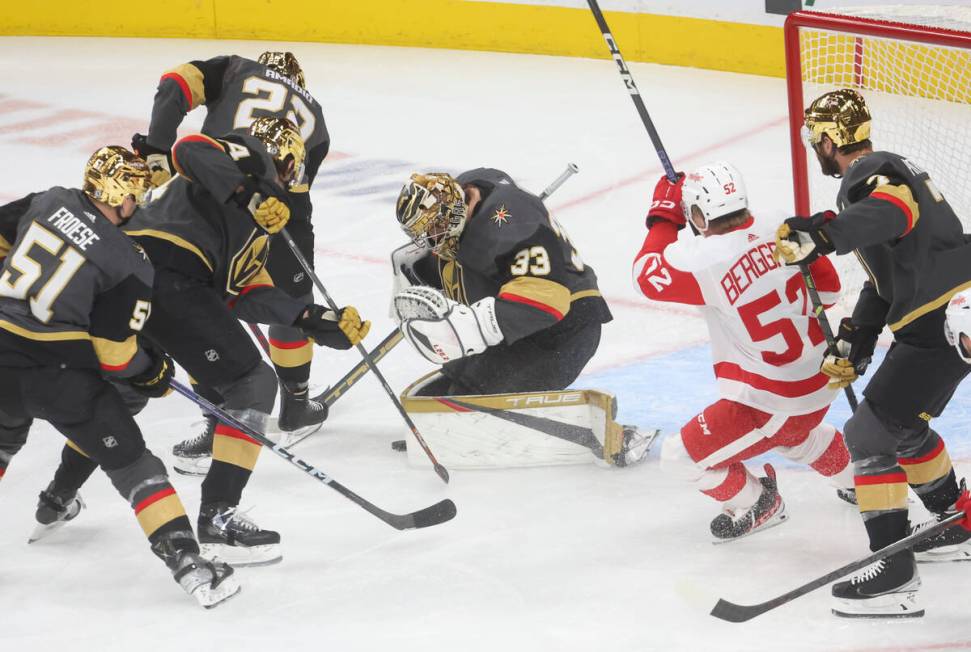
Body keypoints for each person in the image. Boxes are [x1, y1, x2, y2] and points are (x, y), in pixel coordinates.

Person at [36, 118, 369, 566]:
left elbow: (245, 293)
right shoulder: (249, 162)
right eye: (290, 171)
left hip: (132, 281)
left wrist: (312, 319)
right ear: (287, 163)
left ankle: (58, 496)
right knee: (252, 383)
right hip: (162, 271)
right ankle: (219, 516)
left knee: (125, 393)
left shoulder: (258, 226)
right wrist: (251, 191)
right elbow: (188, 149)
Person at [0, 146, 238, 608]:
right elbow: (114, 356)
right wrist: (152, 372)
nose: (139, 203)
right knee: (135, 466)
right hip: (61, 377)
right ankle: (190, 565)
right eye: (136, 194)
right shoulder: (128, 259)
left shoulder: (49, 200)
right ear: (122, 194)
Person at [775, 88, 971, 618]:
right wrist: (857, 340)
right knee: (902, 426)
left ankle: (894, 570)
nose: (814, 146)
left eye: (815, 137)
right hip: (946, 311)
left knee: (868, 434)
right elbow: (884, 278)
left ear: (829, 138)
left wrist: (823, 234)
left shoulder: (873, 173)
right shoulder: (878, 173)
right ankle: (960, 523)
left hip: (942, 317)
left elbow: (892, 211)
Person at [632, 161, 854, 542]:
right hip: (822, 378)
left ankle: (758, 502)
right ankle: (865, 482)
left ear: (699, 216)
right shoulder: (780, 224)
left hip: (771, 400)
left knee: (680, 458)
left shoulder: (703, 262)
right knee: (798, 436)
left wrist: (664, 216)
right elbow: (830, 291)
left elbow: (646, 275)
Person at [132, 50, 332, 469]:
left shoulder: (239, 68)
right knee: (289, 294)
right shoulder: (316, 118)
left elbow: (175, 84)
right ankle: (296, 402)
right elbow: (294, 190)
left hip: (210, 188)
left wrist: (155, 149)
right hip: (276, 206)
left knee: (199, 303)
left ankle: (216, 419)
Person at [389, 169, 650, 465]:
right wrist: (416, 271)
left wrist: (472, 326)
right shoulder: (471, 191)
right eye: (421, 233)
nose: (430, 240)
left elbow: (548, 299)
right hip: (517, 328)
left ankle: (612, 436)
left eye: (433, 229)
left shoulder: (509, 219)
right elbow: (496, 177)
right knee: (435, 397)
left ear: (455, 208)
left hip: (564, 329)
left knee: (474, 400)